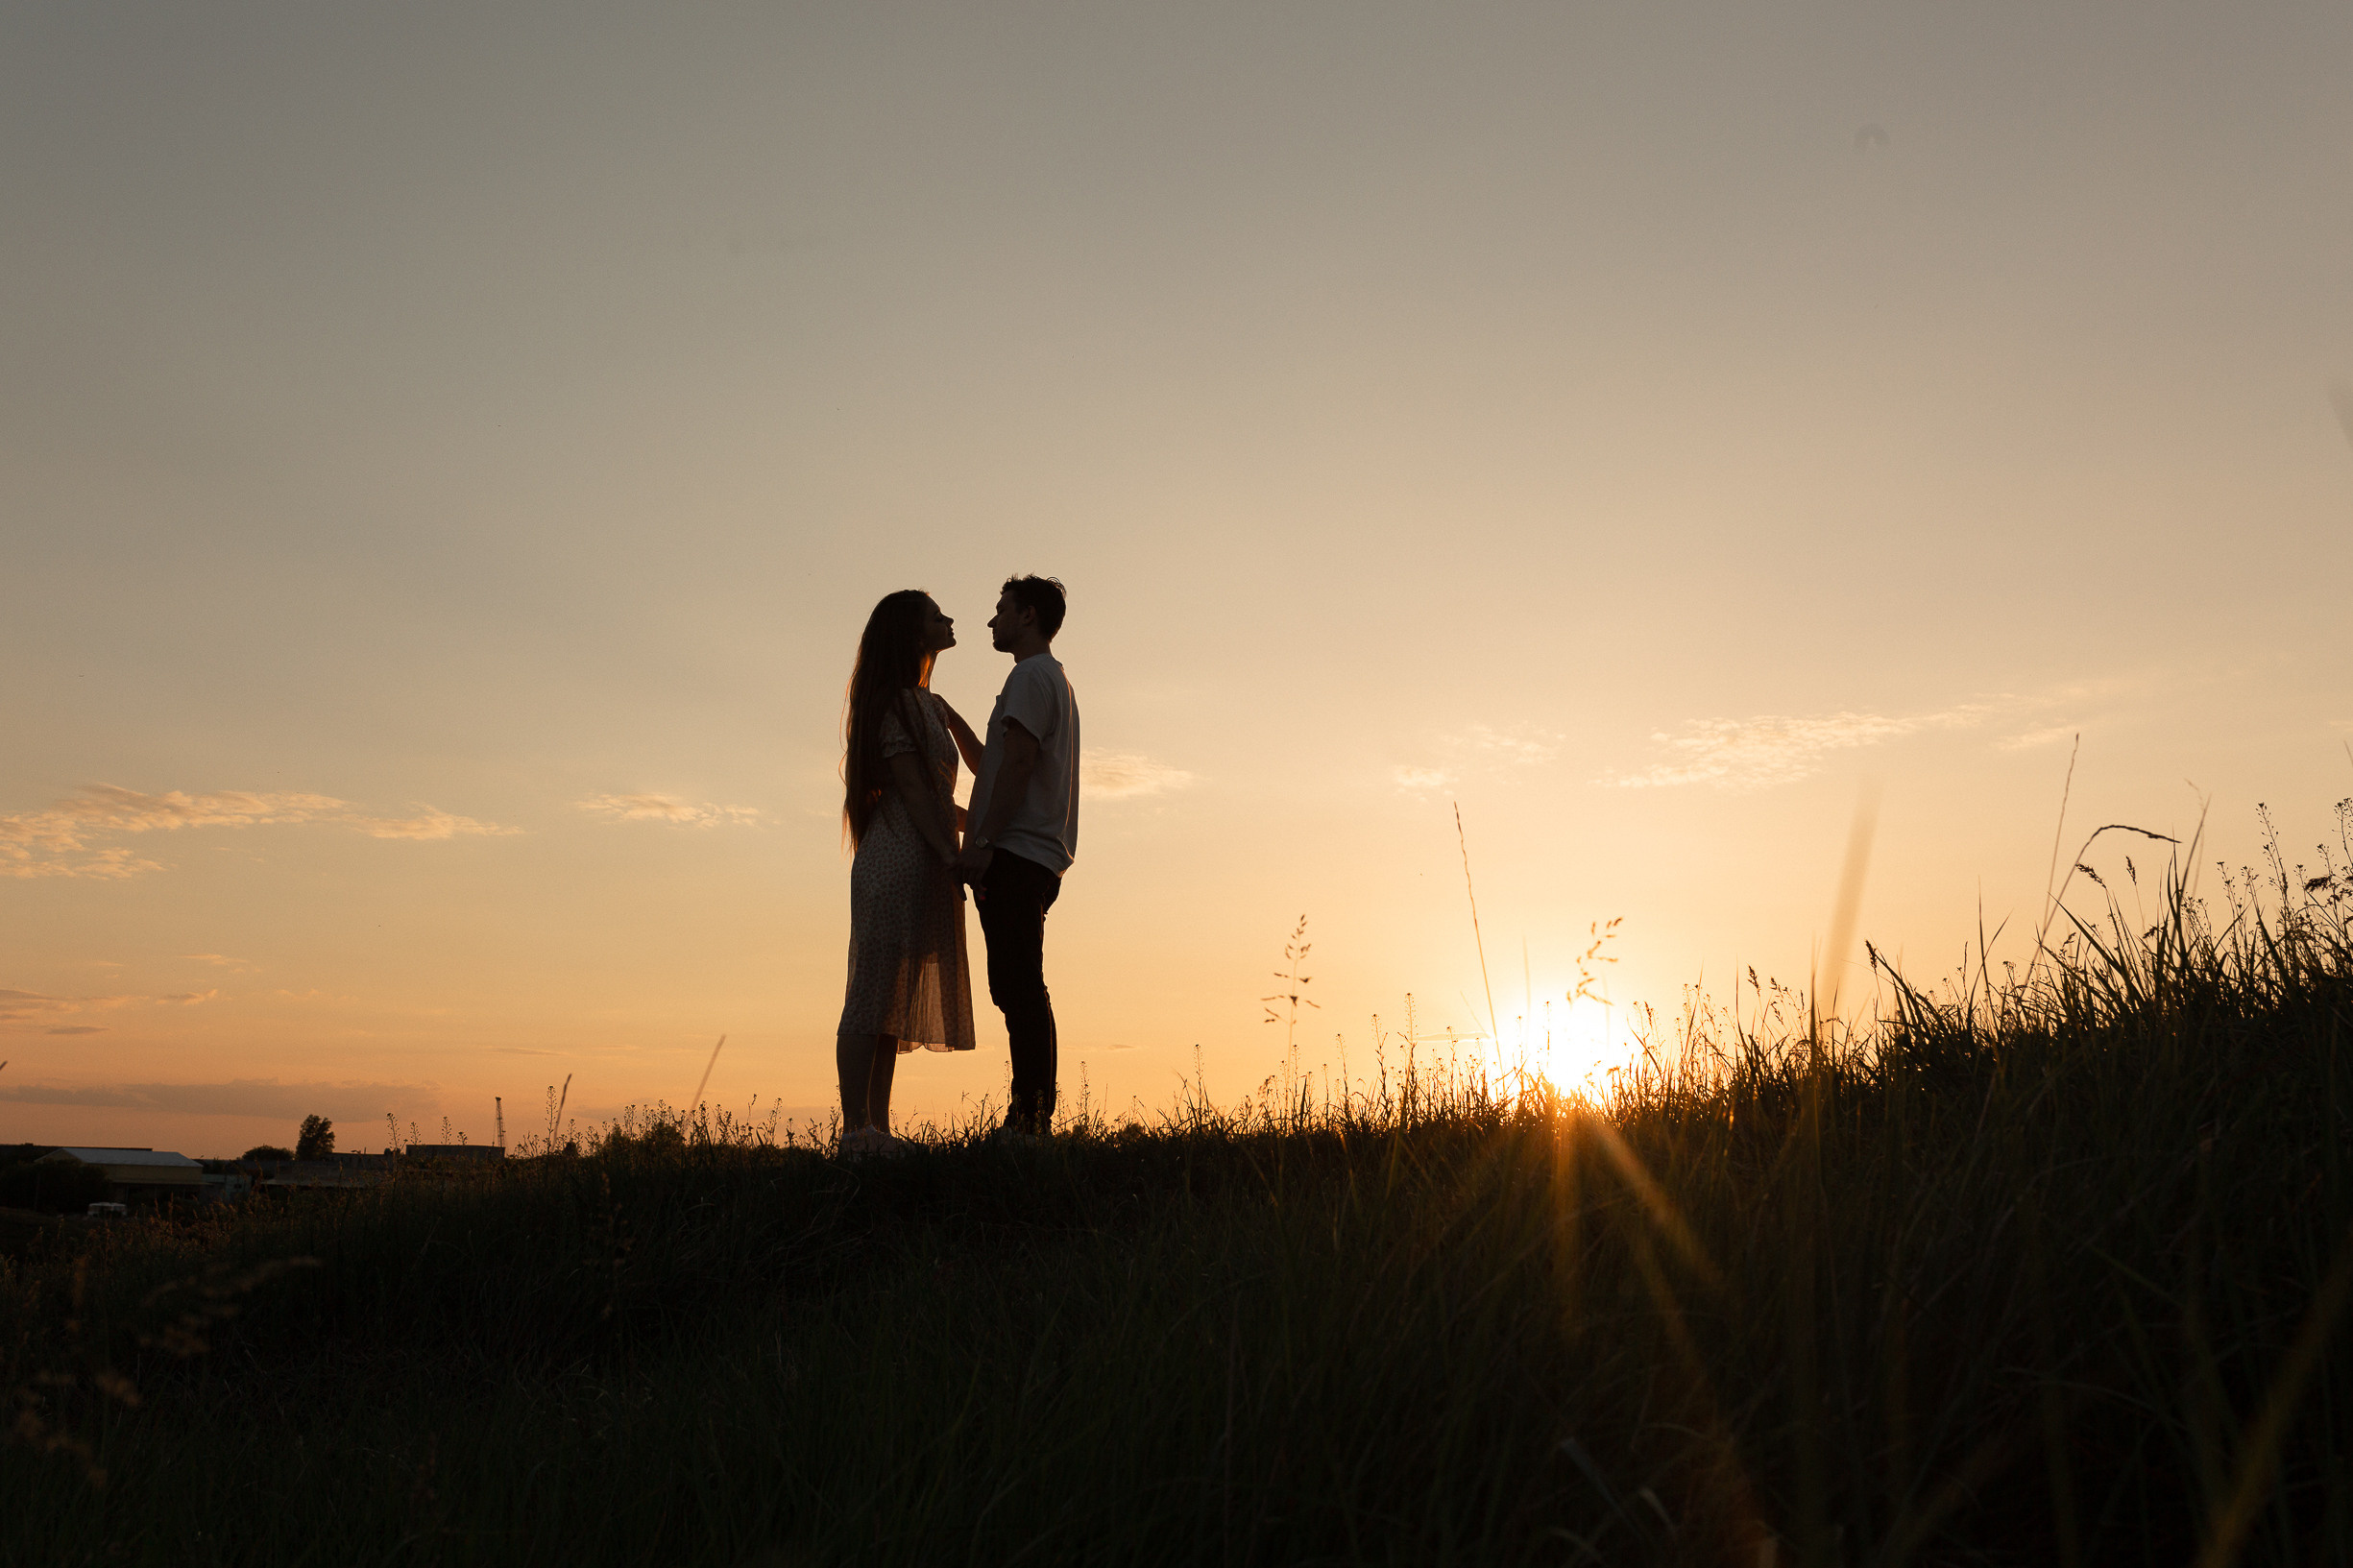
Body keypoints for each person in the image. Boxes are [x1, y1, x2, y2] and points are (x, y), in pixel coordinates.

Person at [836, 590, 984, 1158]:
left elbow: (970, 771)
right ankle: (855, 1130)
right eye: (935, 616)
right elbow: (919, 796)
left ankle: (877, 1129)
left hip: (922, 855)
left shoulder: (933, 704)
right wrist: (953, 851)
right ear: (912, 634)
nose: (949, 620)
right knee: (870, 992)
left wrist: (982, 824)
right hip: (898, 857)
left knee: (890, 1000)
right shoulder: (895, 704)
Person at [958, 575, 1080, 1137]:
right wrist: (952, 720)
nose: (992, 620)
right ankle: (1031, 1117)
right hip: (1032, 853)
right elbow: (997, 764)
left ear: (1028, 616)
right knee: (1016, 984)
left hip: (1017, 853)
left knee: (1020, 987)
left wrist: (983, 843)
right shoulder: (1046, 679)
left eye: (1001, 609)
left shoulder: (1029, 676)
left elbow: (1020, 764)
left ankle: (1029, 1121)